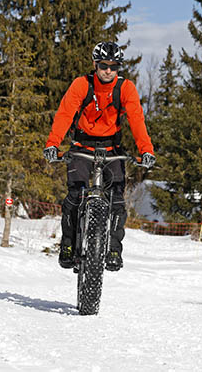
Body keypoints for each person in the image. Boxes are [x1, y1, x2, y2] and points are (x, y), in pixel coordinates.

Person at [43, 41, 155, 271]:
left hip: (112, 147)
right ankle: (67, 245)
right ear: (95, 64)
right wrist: (53, 144)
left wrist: (146, 150)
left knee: (116, 198)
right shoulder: (81, 85)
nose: (108, 71)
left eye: (114, 67)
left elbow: (136, 119)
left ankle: (113, 249)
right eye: (104, 65)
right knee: (75, 193)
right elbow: (65, 113)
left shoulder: (125, 88)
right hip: (81, 146)